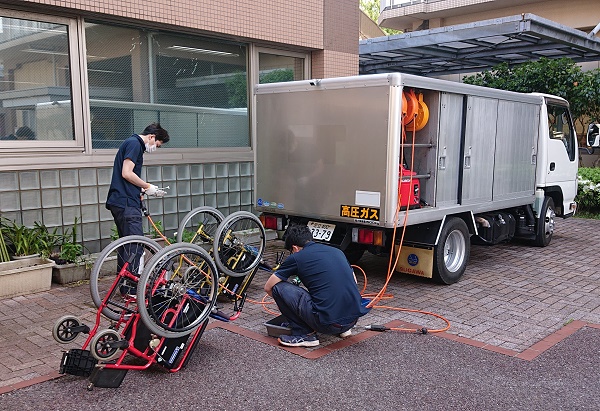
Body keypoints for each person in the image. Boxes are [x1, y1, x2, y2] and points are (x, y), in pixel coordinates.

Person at [264, 224, 370, 347]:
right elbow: (354, 281)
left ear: (295, 248)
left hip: (328, 325)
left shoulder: (297, 257)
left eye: (291, 251)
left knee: (278, 287)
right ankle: (344, 329)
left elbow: (268, 287)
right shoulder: (337, 251)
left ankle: (305, 334)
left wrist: (287, 305)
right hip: (352, 320)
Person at [106, 122, 170, 287]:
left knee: (126, 245)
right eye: (157, 144)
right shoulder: (135, 144)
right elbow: (127, 173)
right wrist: (147, 186)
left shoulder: (131, 143)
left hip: (121, 201)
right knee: (135, 247)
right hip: (126, 203)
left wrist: (140, 191)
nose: (155, 148)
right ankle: (132, 288)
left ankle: (124, 285)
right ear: (151, 137)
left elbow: (127, 176)